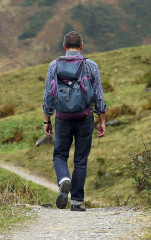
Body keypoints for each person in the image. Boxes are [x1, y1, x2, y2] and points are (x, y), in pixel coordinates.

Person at [42, 31, 106, 211]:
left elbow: (48, 95)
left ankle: (64, 179)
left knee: (60, 155)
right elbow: (99, 96)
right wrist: (101, 120)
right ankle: (77, 202)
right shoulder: (90, 65)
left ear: (64, 47)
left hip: (62, 118)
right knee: (81, 160)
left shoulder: (54, 65)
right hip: (85, 117)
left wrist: (47, 120)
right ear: (81, 46)